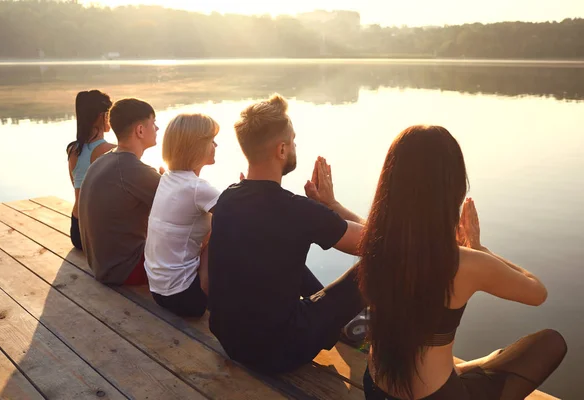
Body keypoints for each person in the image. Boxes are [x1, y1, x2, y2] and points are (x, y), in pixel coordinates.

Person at [359, 125, 567, 400]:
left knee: (489, 360)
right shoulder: (464, 263)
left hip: (374, 389)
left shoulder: (374, 243)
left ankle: (472, 366)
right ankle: (474, 367)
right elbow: (537, 292)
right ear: (452, 188)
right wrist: (480, 249)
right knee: (550, 343)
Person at [208, 94, 367, 373]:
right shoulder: (298, 210)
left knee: (277, 253)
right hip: (280, 350)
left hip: (231, 342)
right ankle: (361, 330)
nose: (294, 147)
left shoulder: (226, 198)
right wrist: (333, 205)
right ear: (281, 150)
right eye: (293, 141)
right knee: (381, 262)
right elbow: (376, 244)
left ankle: (338, 321)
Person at [144, 114, 220, 317]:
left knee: (214, 222)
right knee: (225, 229)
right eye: (211, 140)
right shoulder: (197, 188)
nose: (216, 145)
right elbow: (242, 219)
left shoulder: (168, 178)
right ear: (197, 146)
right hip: (186, 297)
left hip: (158, 290)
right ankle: (210, 292)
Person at [79, 98, 160, 285]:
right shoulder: (132, 169)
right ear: (140, 130)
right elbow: (184, 207)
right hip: (124, 270)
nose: (157, 128)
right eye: (153, 123)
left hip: (103, 266)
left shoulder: (103, 160)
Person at [66, 90, 115, 250]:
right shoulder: (111, 150)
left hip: (77, 230)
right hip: (96, 234)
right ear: (102, 116)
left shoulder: (73, 149)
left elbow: (77, 186)